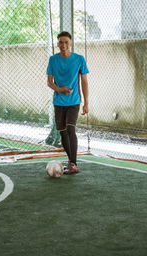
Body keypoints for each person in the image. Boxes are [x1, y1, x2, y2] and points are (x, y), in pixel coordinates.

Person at [46, 31, 89, 174]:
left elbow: (84, 81)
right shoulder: (53, 60)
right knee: (63, 133)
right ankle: (71, 162)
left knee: (71, 129)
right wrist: (60, 89)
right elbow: (49, 82)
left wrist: (86, 102)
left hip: (74, 101)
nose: (63, 45)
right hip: (59, 102)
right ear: (58, 44)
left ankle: (74, 163)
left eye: (66, 42)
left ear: (70, 43)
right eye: (60, 42)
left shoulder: (79, 59)